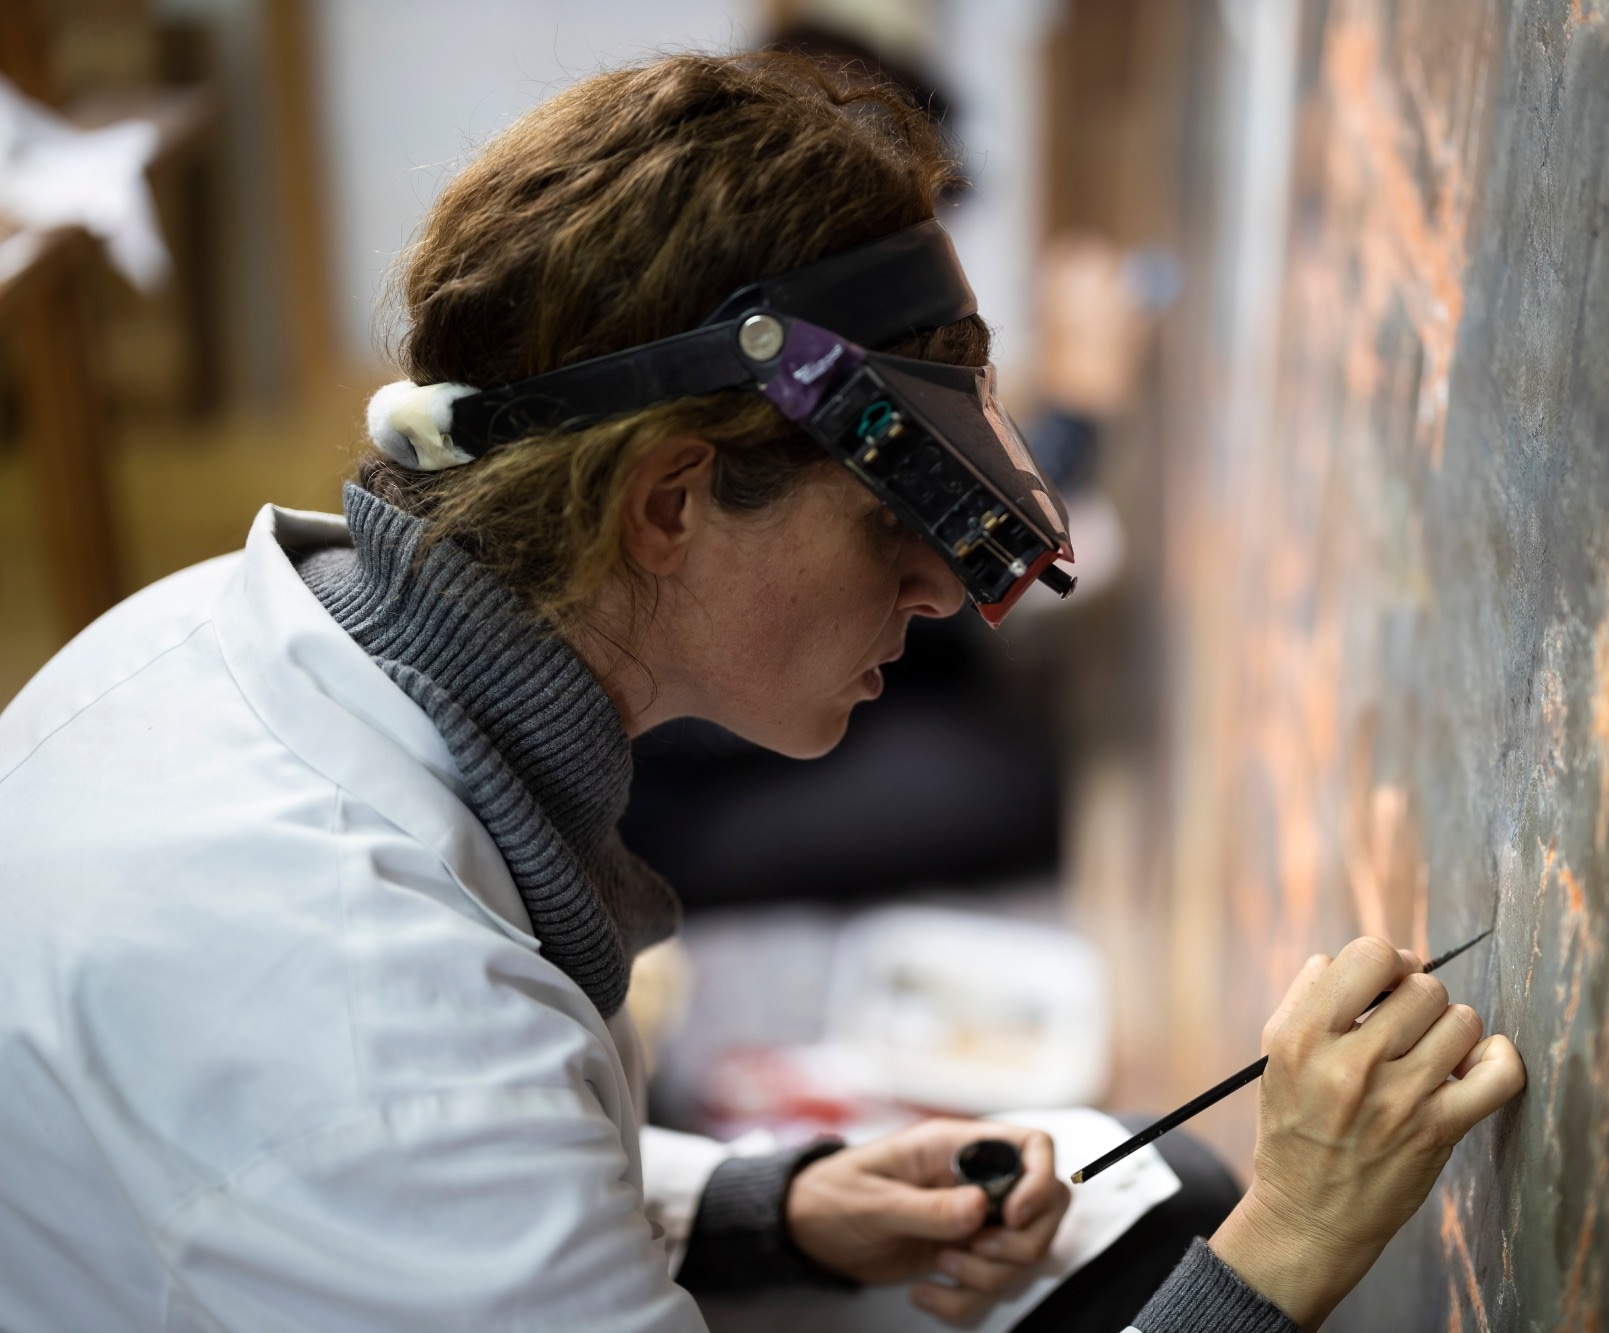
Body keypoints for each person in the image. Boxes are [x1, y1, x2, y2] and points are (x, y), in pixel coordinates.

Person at [0, 51, 1526, 1332]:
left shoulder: (227, 640)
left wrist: (762, 1205)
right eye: (886, 522)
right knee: (1206, 1232)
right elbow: (410, 1136)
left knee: (1139, 1200)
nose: (937, 590)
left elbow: (378, 1184)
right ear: (667, 505)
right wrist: (1289, 1256)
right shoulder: (378, 1022)